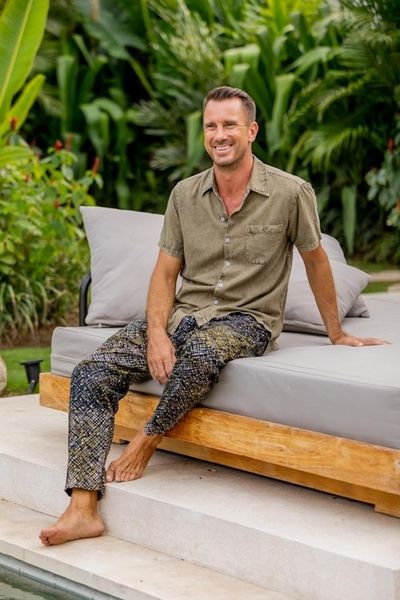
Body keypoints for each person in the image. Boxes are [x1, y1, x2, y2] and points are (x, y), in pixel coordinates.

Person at [39, 86, 388, 546]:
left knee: (201, 355)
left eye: (229, 125)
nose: (219, 134)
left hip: (248, 320)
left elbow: (316, 261)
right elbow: (165, 274)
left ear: (251, 131)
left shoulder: (290, 192)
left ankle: (146, 439)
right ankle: (83, 507)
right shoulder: (184, 195)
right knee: (90, 373)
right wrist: (156, 333)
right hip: (185, 314)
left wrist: (337, 332)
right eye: (211, 126)